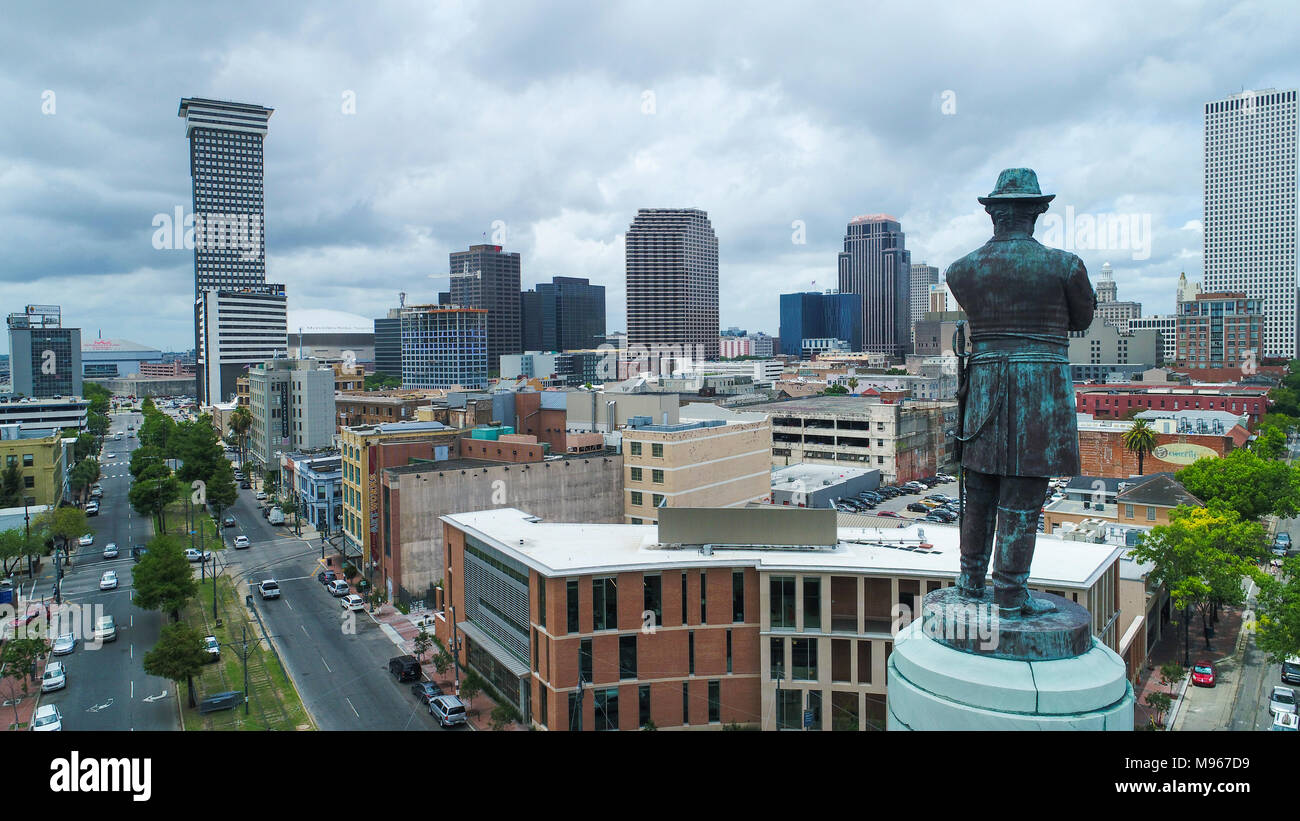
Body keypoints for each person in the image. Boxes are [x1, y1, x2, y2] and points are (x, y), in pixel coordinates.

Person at [945, 168, 1096, 617]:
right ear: (1036, 212)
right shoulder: (1065, 266)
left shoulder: (961, 270)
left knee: (980, 492)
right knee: (1023, 499)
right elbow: (1082, 320)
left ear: (993, 213)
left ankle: (971, 582)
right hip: (1039, 387)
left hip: (986, 384)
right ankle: (1010, 594)